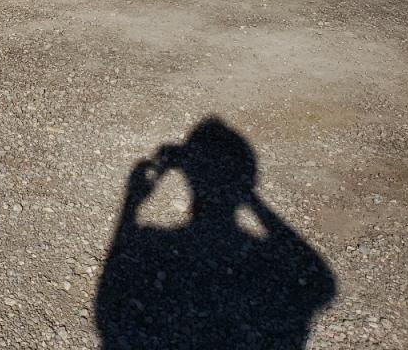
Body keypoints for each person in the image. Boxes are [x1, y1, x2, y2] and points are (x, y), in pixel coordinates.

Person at [96, 117, 335, 349]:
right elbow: (321, 284)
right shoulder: (264, 259)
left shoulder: (152, 248)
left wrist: (131, 204)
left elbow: (109, 299)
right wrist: (248, 197)